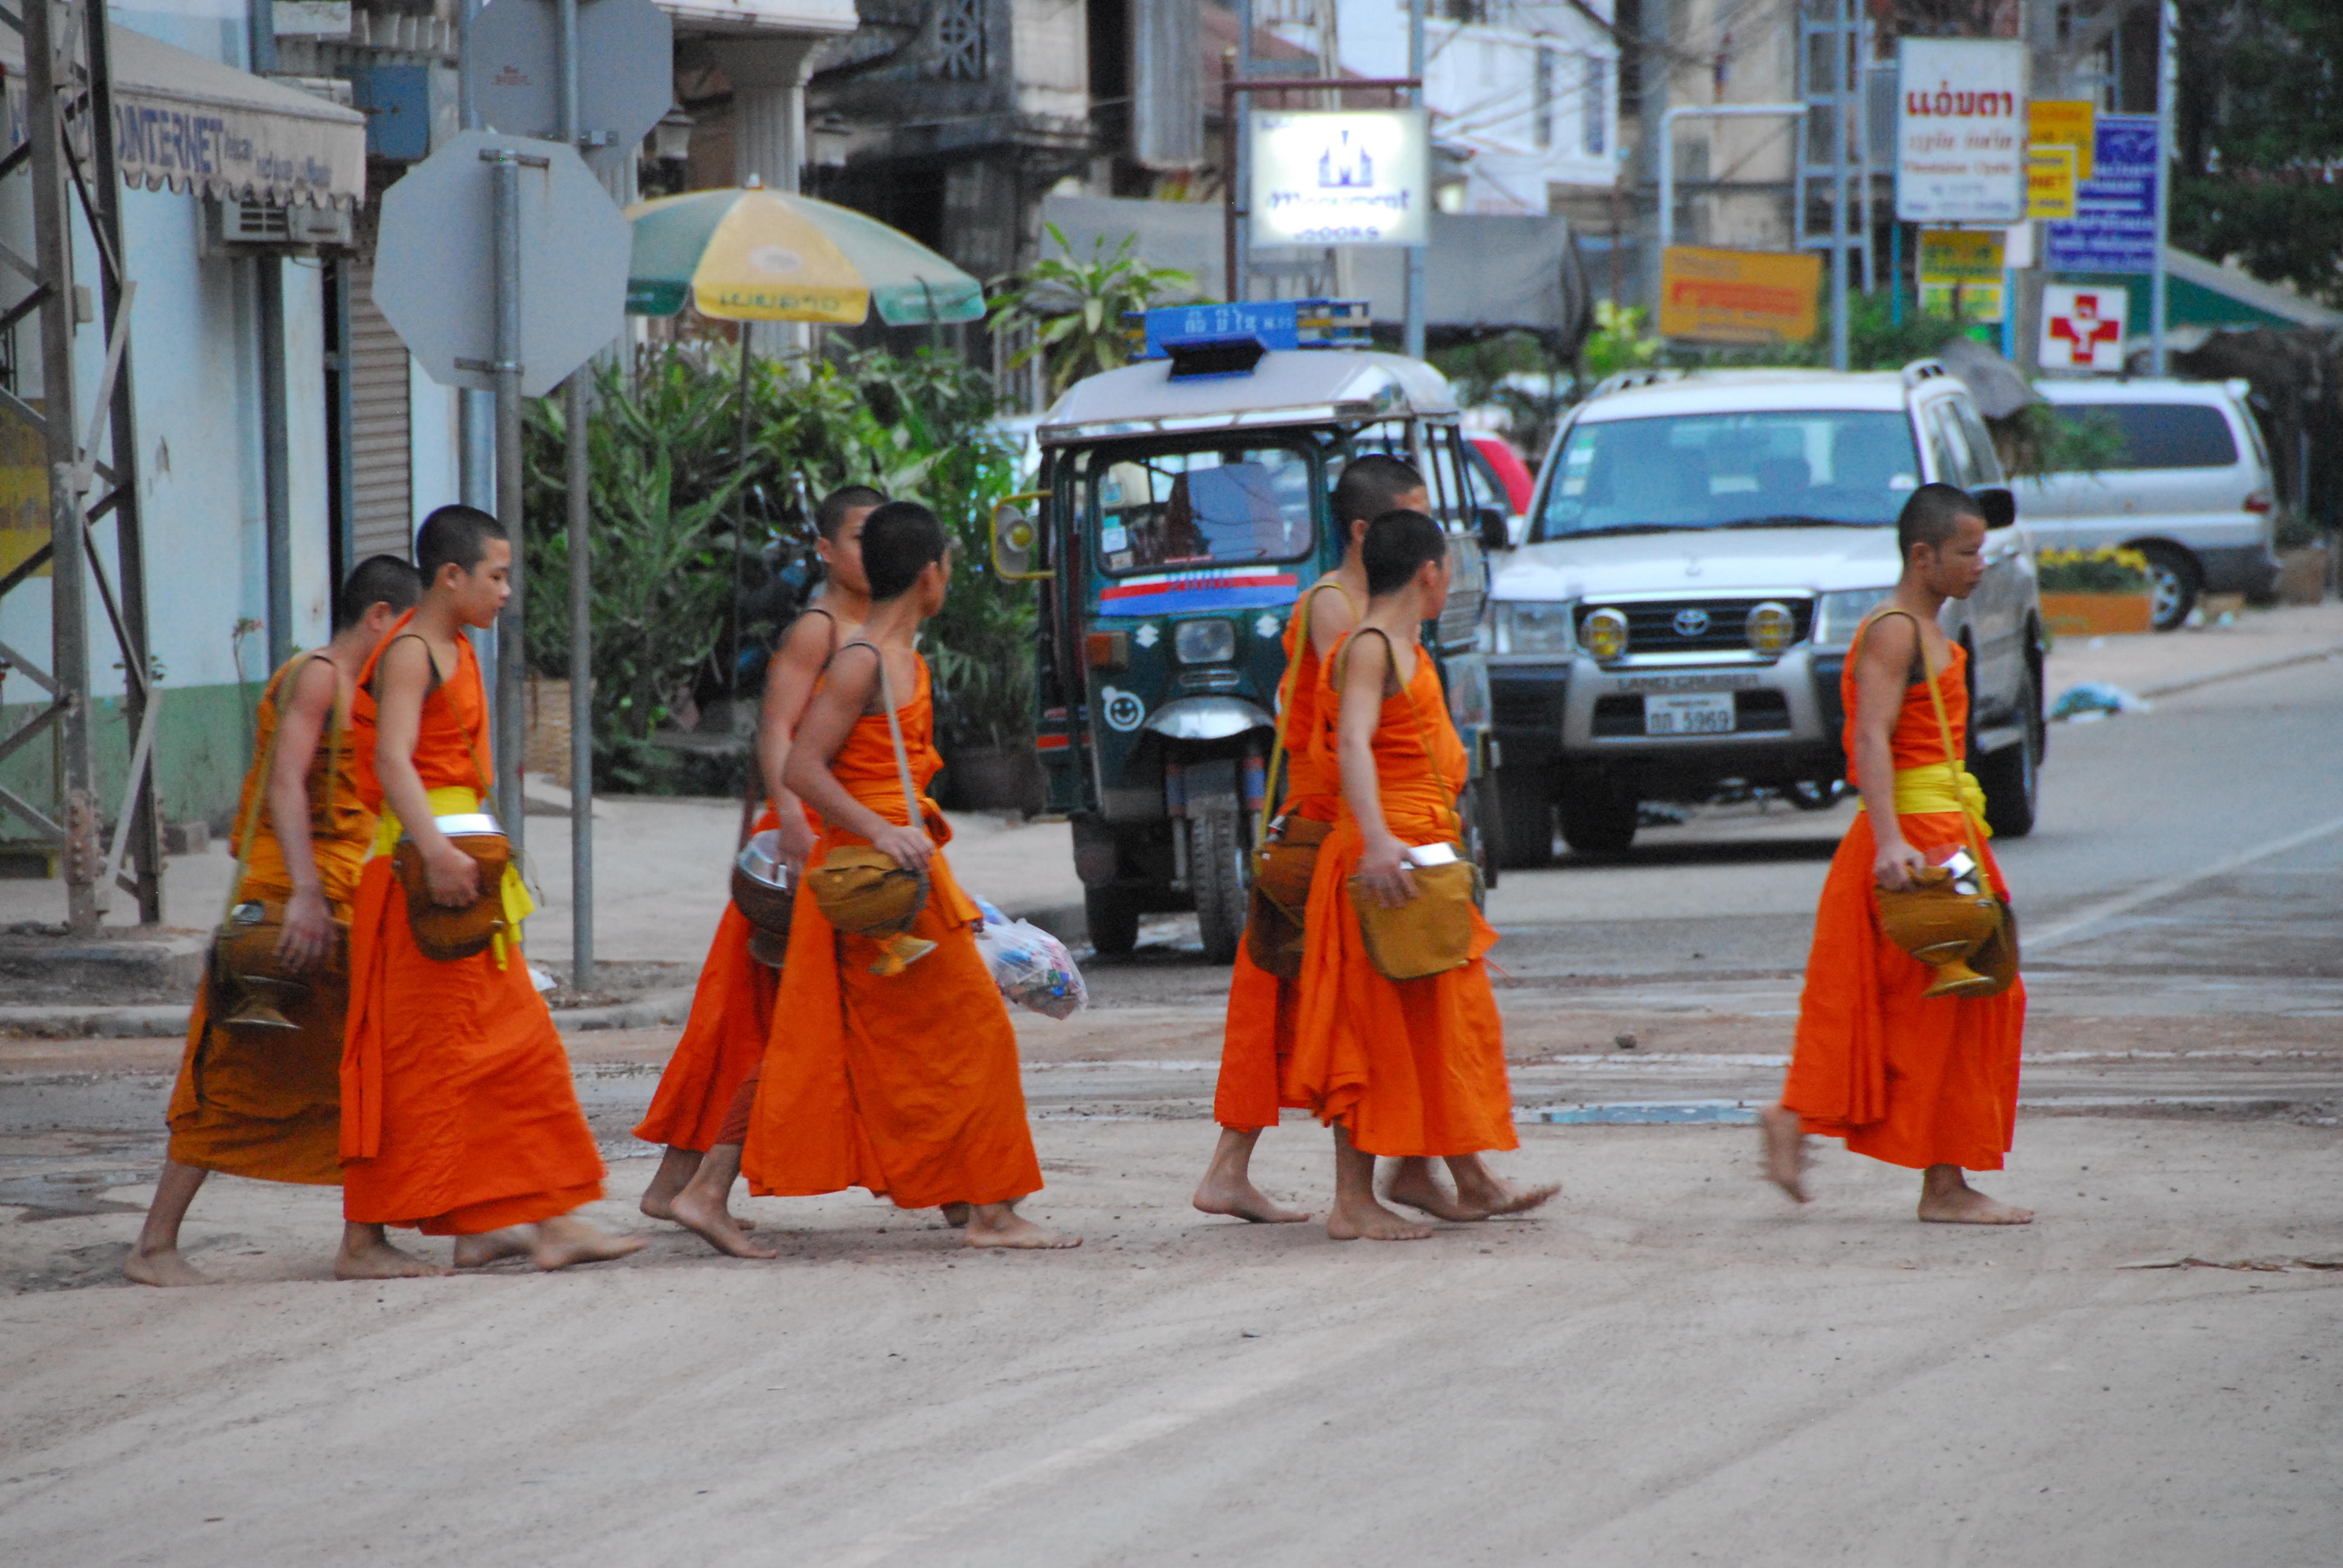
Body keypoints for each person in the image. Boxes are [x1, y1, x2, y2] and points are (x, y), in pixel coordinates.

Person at [733, 501, 1077, 1252]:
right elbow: (800, 766)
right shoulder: (862, 660)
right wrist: (883, 829)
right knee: (977, 1031)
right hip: (877, 870)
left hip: (906, 868)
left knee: (898, 1042)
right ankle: (990, 1210)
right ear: (931, 575)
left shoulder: (896, 656)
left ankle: (964, 1196)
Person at [341, 505, 643, 1270]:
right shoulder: (411, 649)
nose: (507, 591)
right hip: (422, 877)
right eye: (497, 575)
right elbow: (393, 762)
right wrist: (436, 850)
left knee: (479, 1055)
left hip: (464, 875)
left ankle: (487, 1223)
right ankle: (526, 1221)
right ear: (451, 576)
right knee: (456, 1057)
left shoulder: (456, 645)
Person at [123, 558, 427, 1286]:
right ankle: (154, 1245)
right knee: (240, 1067)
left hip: (343, 889)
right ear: (381, 617)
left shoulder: (366, 687)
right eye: (409, 630)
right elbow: (287, 785)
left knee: (360, 1066)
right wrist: (307, 895)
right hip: (292, 895)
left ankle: (364, 1239)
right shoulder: (318, 675)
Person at [1761, 483, 2031, 1224]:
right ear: (1923, 555)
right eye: (1967, 552)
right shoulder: (1892, 631)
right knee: (1951, 1000)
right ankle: (1941, 1186)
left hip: (1948, 832)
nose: (1980, 565)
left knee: (1961, 998)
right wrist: (1888, 840)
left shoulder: (1928, 627)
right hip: (1912, 841)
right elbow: (1871, 738)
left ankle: (1797, 1116)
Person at [636, 486, 882, 1246]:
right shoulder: (817, 630)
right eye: (857, 539)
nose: (870, 554)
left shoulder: (877, 631)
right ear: (825, 552)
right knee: (771, 1027)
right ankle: (694, 1185)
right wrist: (798, 830)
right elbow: (776, 733)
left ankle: (674, 1183)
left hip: (836, 841)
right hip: (801, 850)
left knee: (742, 1028)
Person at [1285, 509, 1538, 1241]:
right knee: (1368, 1033)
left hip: (1419, 855)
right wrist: (1374, 842)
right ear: (1429, 574)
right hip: (1383, 859)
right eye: (1448, 571)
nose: (1448, 583)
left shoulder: (1403, 644)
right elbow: (1356, 749)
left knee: (1439, 1024)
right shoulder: (1370, 647)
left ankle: (1451, 1174)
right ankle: (1351, 1201)